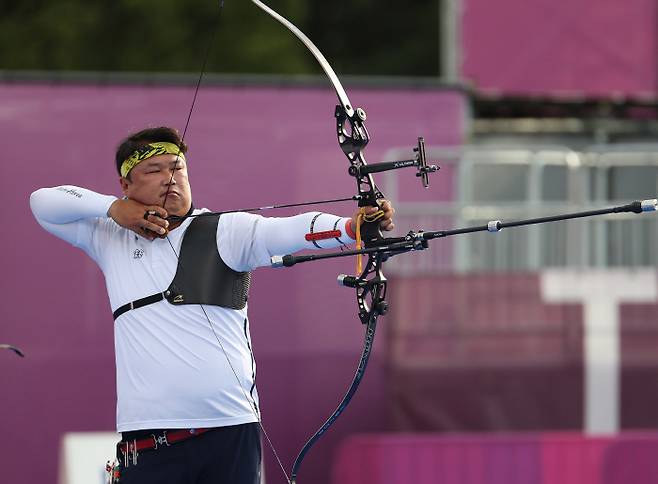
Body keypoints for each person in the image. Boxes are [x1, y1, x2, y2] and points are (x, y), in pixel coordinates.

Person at [29, 126, 395, 484]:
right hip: (146, 437)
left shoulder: (224, 230)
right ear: (126, 186)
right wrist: (113, 209)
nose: (170, 178)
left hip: (228, 430)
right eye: (154, 170)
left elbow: (288, 230)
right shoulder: (109, 237)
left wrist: (351, 227)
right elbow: (43, 201)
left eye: (177, 168)